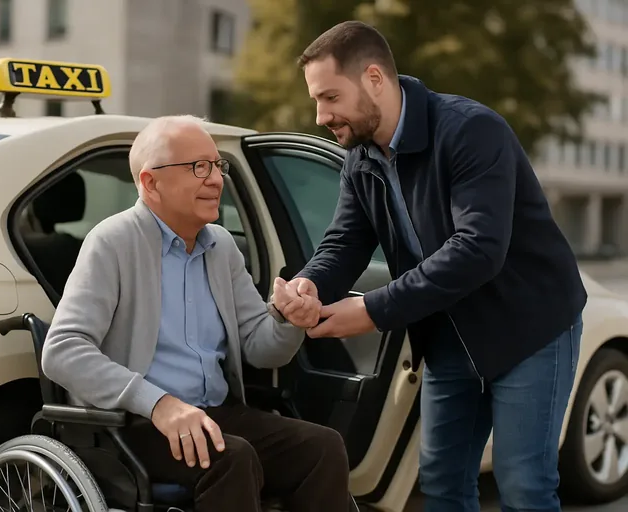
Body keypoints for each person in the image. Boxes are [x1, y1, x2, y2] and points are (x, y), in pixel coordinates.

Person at [273, 20, 587, 512]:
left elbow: (478, 248)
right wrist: (309, 283)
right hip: (447, 338)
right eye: (317, 100)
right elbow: (346, 242)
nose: (320, 115)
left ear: (374, 78)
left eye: (330, 97)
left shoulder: (469, 130)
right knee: (441, 481)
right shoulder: (361, 158)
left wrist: (373, 312)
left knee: (524, 483)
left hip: (529, 328)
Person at [41, 115, 353, 512]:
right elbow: (62, 351)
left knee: (323, 448)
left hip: (217, 415)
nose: (216, 179)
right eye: (198, 167)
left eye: (216, 165)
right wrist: (159, 404)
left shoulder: (221, 247)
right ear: (151, 183)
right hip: (134, 424)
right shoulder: (113, 242)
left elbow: (261, 348)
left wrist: (288, 318)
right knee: (230, 458)